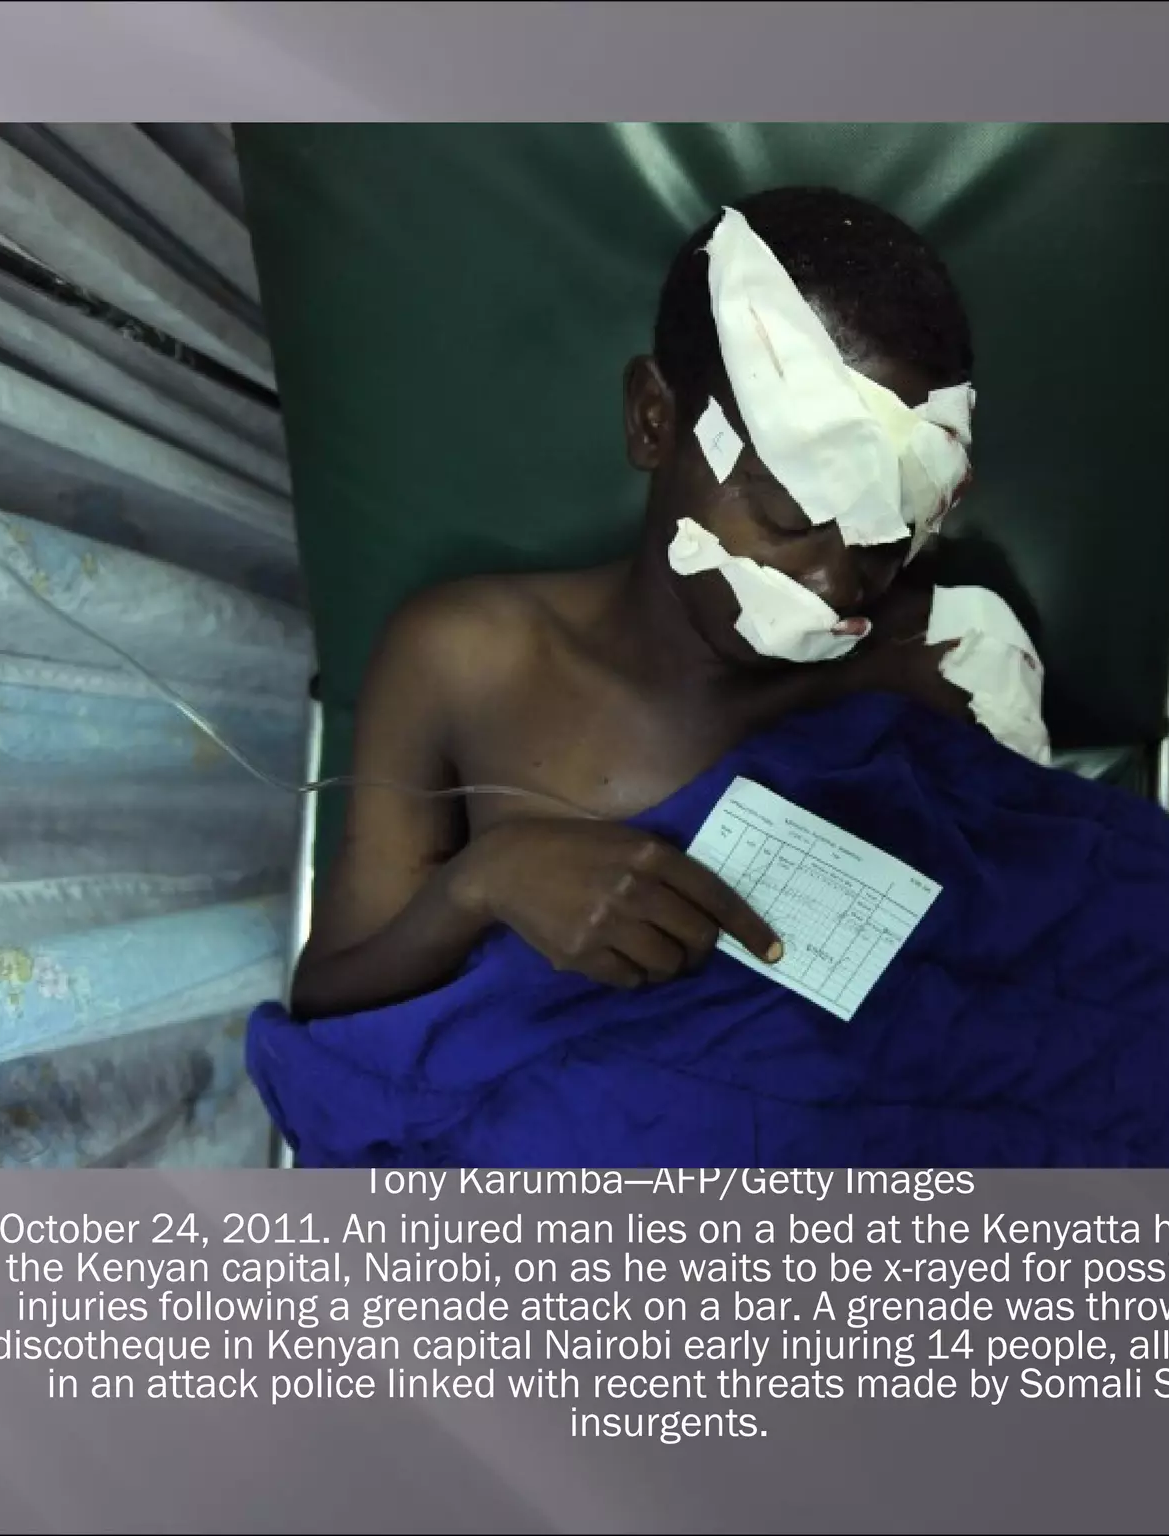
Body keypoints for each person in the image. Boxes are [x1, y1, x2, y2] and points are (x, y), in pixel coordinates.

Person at [286, 187, 987, 1022]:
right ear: (654, 420)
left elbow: (1022, 979)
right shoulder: (468, 660)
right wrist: (480, 884)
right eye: (789, 516)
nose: (840, 585)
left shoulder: (947, 663)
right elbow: (324, 1012)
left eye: (887, 539)